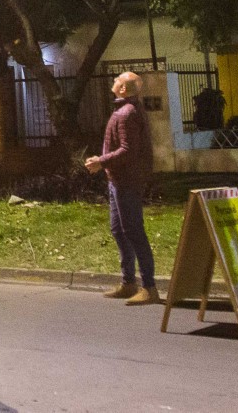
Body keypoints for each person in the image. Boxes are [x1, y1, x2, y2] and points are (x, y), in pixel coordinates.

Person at [85, 71, 160, 305]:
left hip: (127, 181)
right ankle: (129, 283)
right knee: (119, 230)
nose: (114, 81)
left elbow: (128, 150)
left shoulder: (127, 113)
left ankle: (149, 287)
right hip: (118, 180)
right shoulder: (125, 110)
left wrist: (101, 162)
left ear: (123, 89)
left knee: (134, 232)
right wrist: (104, 161)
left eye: (117, 80)